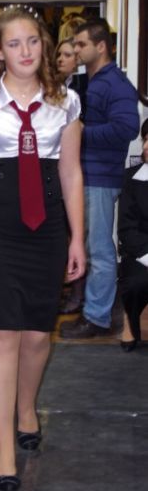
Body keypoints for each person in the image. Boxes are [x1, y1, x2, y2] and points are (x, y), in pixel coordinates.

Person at [0, 5, 85, 491]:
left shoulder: (66, 101)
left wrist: (78, 238)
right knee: (0, 335)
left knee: (36, 336)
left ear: (43, 45)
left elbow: (71, 172)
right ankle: (2, 444)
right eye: (13, 43)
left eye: (32, 41)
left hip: (46, 227)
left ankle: (27, 406)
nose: (25, 51)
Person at [60, 19, 139, 339]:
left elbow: (127, 128)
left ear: (101, 46)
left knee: (99, 249)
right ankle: (96, 311)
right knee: (92, 248)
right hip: (88, 174)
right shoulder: (92, 81)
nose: (76, 50)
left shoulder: (115, 84)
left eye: (81, 44)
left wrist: (81, 133)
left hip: (100, 177)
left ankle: (97, 317)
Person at [116, 118, 148, 352]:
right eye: (145, 139)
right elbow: (127, 228)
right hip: (141, 253)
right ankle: (130, 319)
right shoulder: (131, 178)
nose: (146, 146)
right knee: (136, 282)